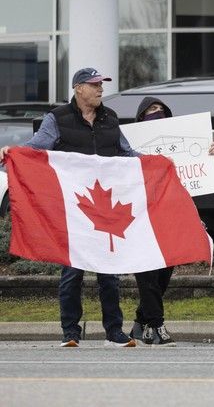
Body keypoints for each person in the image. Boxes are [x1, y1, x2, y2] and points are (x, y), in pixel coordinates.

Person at [0, 67, 139, 348]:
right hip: (73, 209)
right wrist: (12, 153)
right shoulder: (58, 118)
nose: (101, 89)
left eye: (102, 85)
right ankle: (71, 333)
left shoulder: (110, 118)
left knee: (109, 274)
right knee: (72, 272)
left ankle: (114, 332)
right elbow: (37, 148)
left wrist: (162, 163)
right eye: (95, 84)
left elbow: (128, 153)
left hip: (105, 207)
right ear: (78, 88)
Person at [129, 97, 214, 347]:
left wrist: (206, 156)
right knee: (147, 274)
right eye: (150, 111)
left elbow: (196, 177)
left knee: (163, 275)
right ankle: (157, 326)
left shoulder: (179, 143)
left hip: (171, 216)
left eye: (160, 110)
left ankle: (139, 323)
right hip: (142, 218)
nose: (156, 113)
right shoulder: (130, 149)